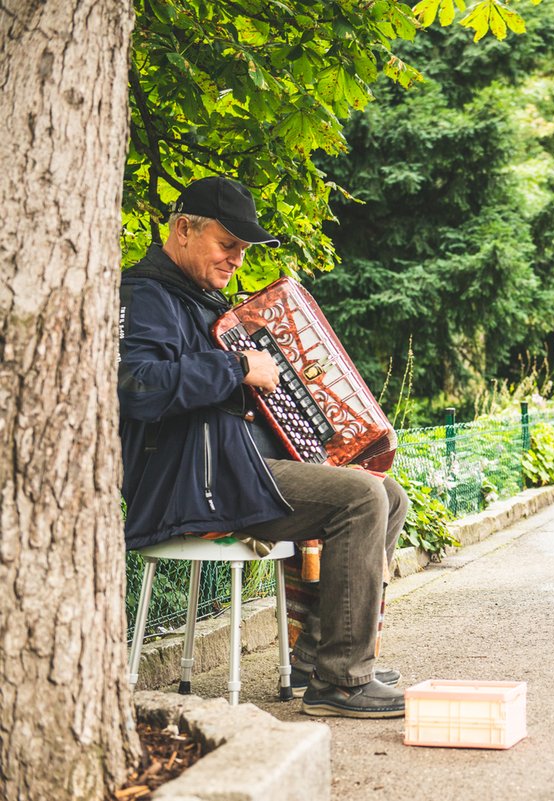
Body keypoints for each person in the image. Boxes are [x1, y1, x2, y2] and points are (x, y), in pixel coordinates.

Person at [118, 176, 411, 718]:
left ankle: (319, 659)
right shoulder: (144, 295)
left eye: (243, 250)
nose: (236, 259)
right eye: (227, 245)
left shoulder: (204, 299)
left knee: (387, 493)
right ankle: (342, 684)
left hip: (233, 471)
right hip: (186, 484)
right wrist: (238, 366)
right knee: (360, 499)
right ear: (182, 229)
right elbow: (138, 388)